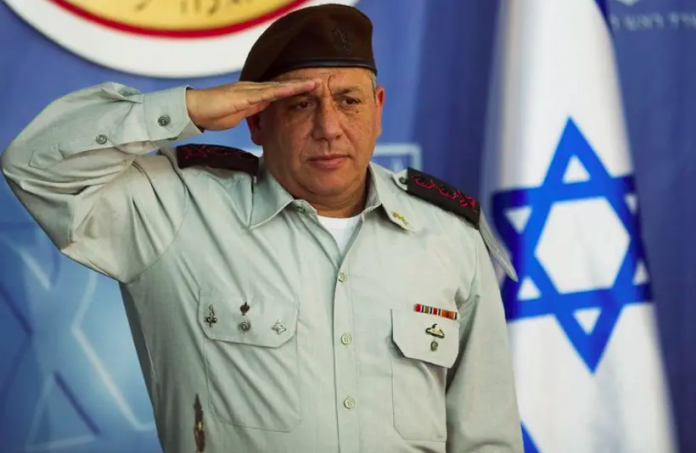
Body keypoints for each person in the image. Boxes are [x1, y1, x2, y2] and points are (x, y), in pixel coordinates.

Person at [1, 4, 523, 453]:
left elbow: (486, 437)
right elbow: (33, 164)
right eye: (300, 104)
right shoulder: (177, 211)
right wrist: (189, 107)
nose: (329, 127)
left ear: (378, 109)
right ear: (255, 120)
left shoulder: (448, 235)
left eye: (348, 100)